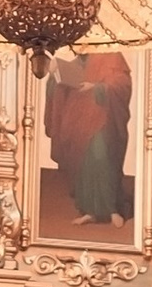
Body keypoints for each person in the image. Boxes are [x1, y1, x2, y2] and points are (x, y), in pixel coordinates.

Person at [43, 47, 132, 226]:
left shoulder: (111, 55)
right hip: (79, 121)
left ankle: (112, 209)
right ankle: (89, 210)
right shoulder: (76, 63)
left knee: (101, 157)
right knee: (83, 163)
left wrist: (97, 88)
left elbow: (122, 84)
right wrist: (54, 76)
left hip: (102, 119)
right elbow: (62, 88)